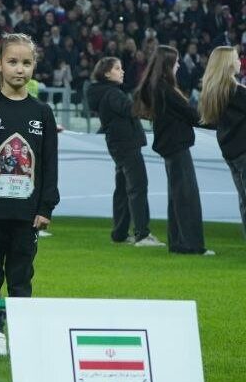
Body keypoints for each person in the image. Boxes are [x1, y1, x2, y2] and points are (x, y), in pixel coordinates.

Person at [0, 33, 59, 358]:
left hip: (27, 214)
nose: (20, 69)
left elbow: (49, 165)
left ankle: (20, 331)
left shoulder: (42, 113)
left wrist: (46, 207)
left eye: (26, 63)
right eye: (13, 62)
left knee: (21, 275)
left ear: (34, 66)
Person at [133, 45, 212, 256]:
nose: (178, 66)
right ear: (167, 65)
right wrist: (218, 122)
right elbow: (191, 115)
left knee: (176, 197)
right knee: (186, 196)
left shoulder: (156, 87)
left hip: (170, 146)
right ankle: (192, 245)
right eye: (175, 62)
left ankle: (178, 242)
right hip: (176, 146)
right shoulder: (165, 89)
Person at [86, 57, 160, 247]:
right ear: (106, 73)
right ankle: (142, 234)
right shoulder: (113, 93)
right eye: (117, 68)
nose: (122, 71)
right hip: (127, 145)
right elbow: (132, 110)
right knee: (137, 187)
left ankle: (119, 234)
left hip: (118, 145)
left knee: (122, 190)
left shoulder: (104, 92)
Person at [197, 46, 246, 239]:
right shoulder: (236, 92)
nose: (239, 61)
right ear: (227, 64)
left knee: (243, 198)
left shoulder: (214, 92)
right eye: (236, 58)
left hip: (230, 151)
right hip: (242, 150)